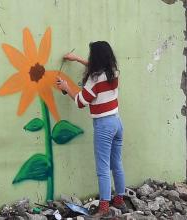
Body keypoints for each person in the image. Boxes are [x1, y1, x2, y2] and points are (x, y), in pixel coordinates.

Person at [56, 41, 128, 217]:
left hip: (103, 125)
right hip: (117, 123)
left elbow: (81, 102)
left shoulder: (94, 79)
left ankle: (104, 208)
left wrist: (66, 88)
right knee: (116, 164)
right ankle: (120, 200)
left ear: (95, 57)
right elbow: (96, 66)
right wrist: (78, 59)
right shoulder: (113, 71)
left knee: (102, 168)